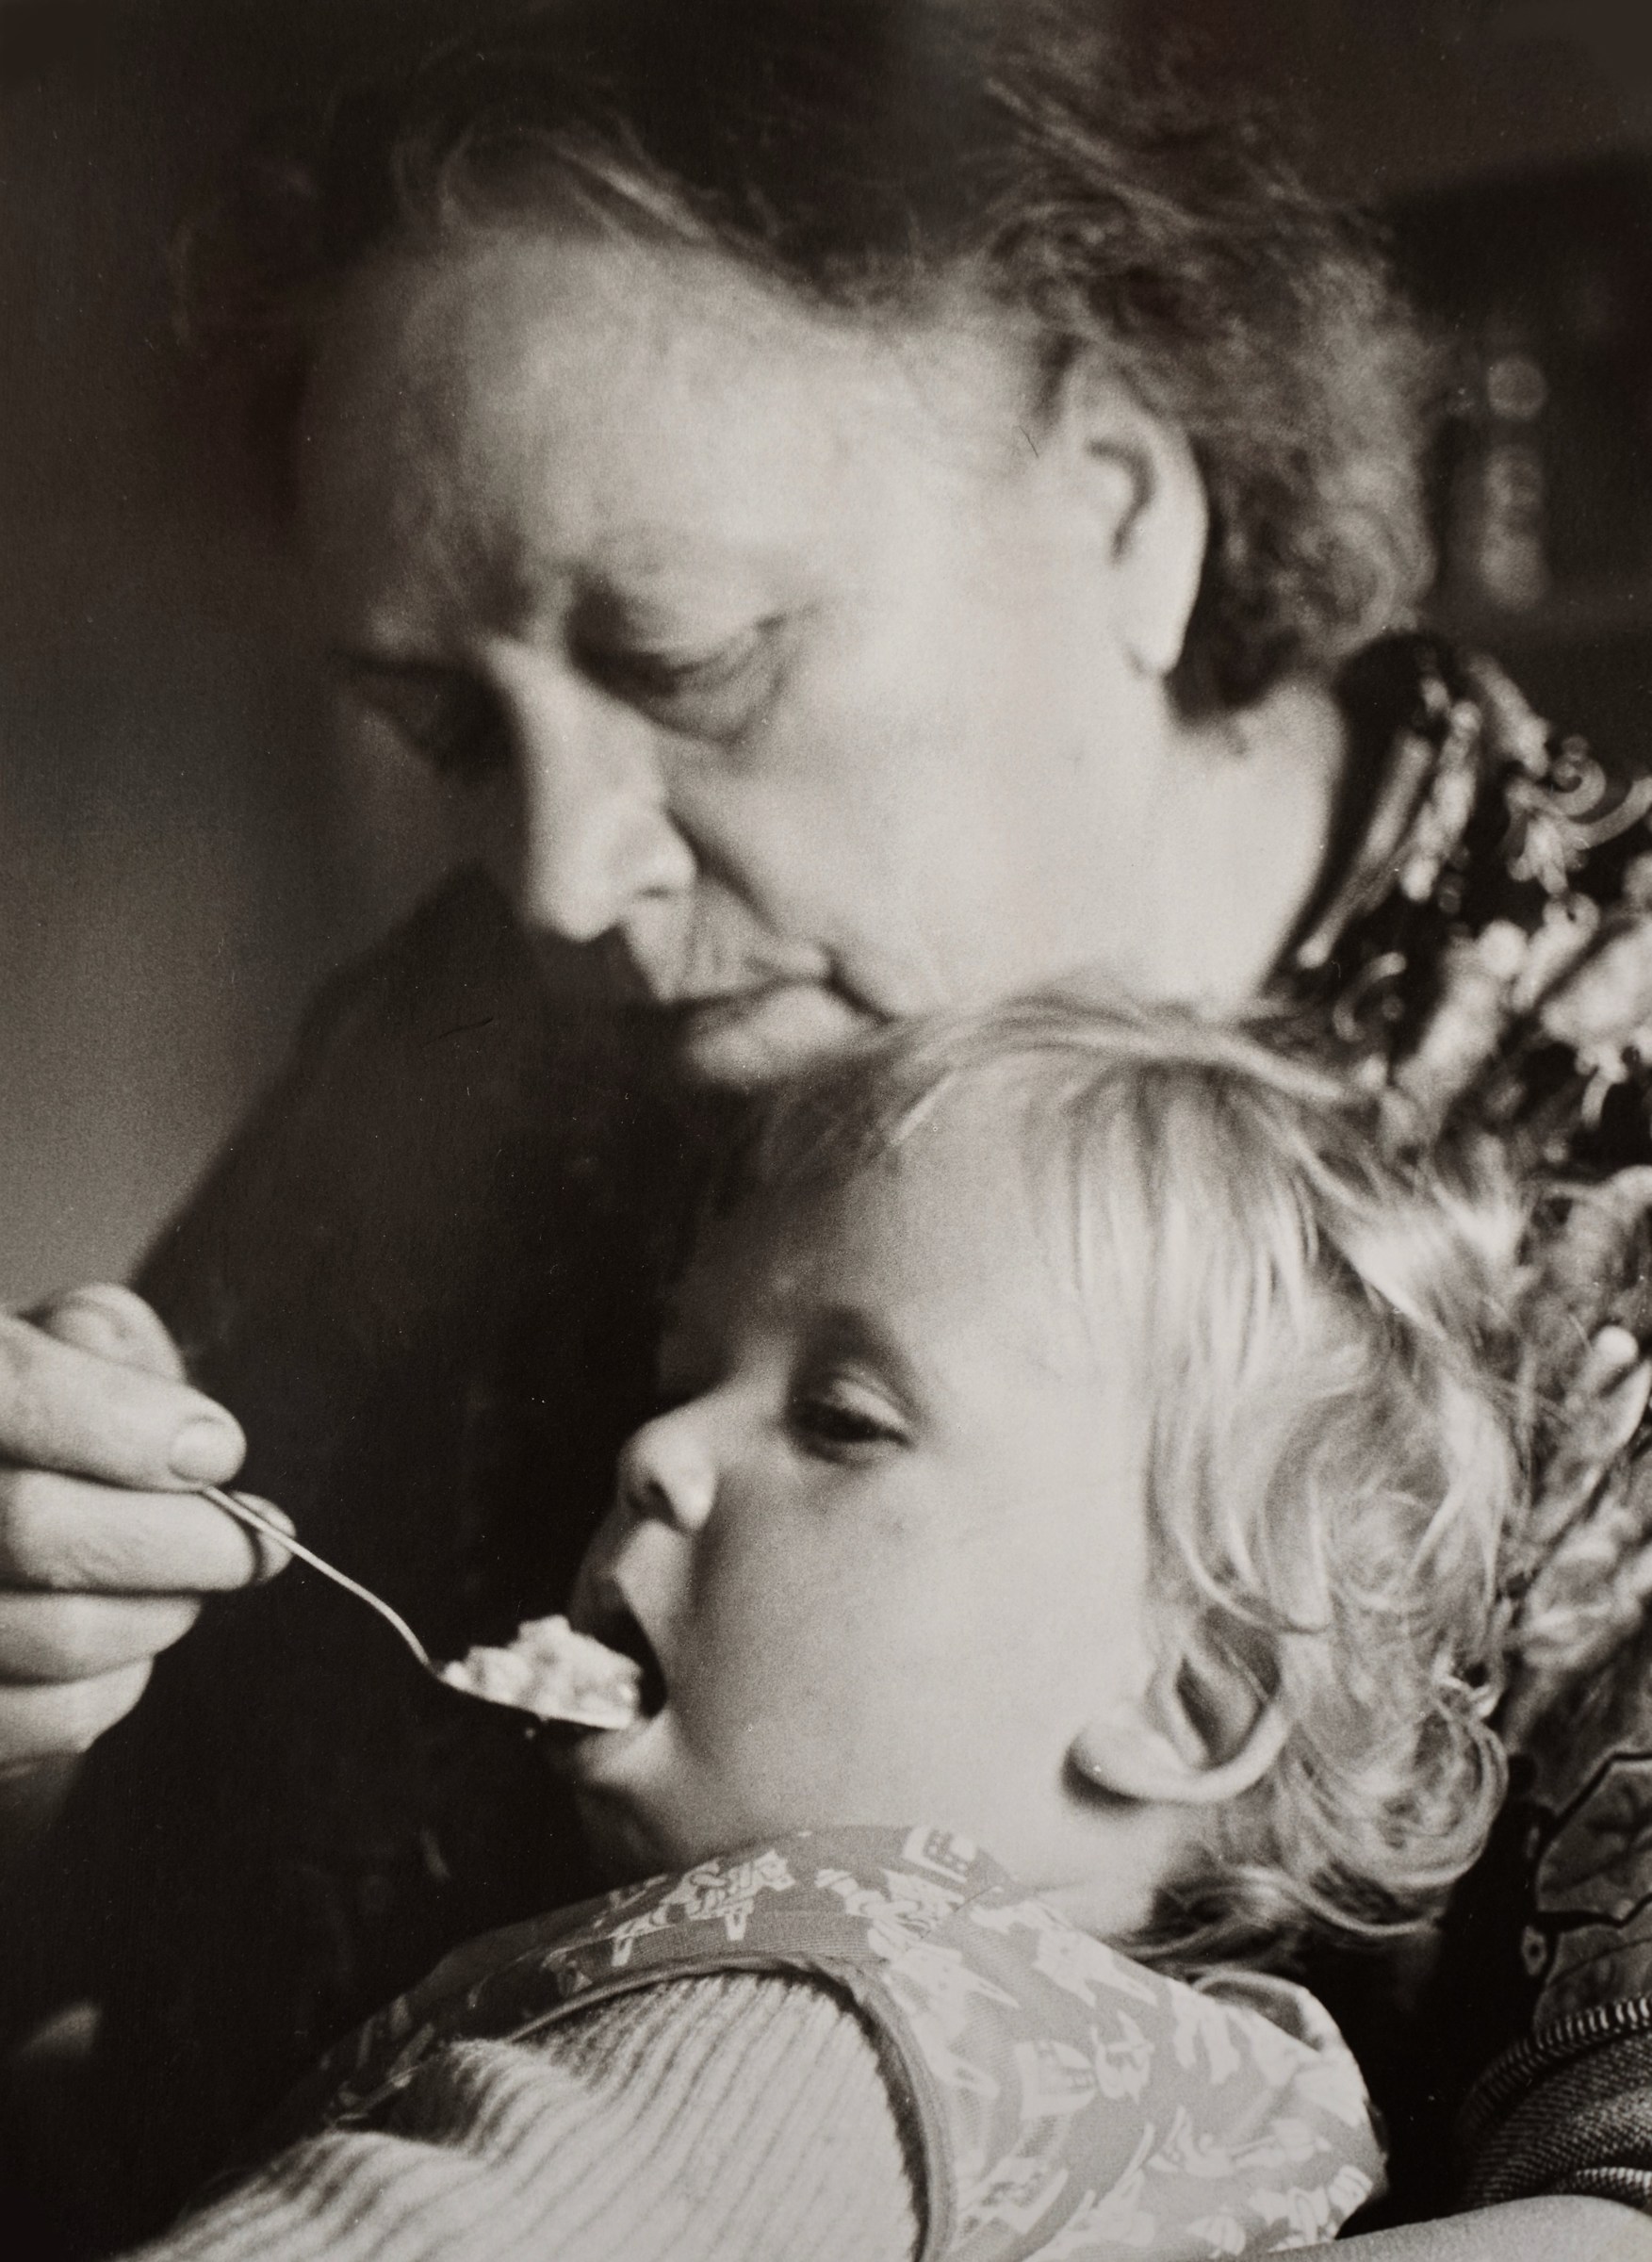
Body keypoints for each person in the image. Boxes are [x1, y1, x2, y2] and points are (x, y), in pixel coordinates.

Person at [0, 3, 1649, 2254]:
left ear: (1125, 513)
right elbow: (107, 1937)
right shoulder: (483, 1024)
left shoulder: (1612, 1124)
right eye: (441, 728)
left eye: (689, 665)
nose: (563, 879)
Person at [122, 999, 1527, 2261]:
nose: (656, 1446)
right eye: (684, 1375)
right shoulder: (1090, 2087)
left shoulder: (808, 2031)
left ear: (1190, 1706)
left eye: (841, 1419)